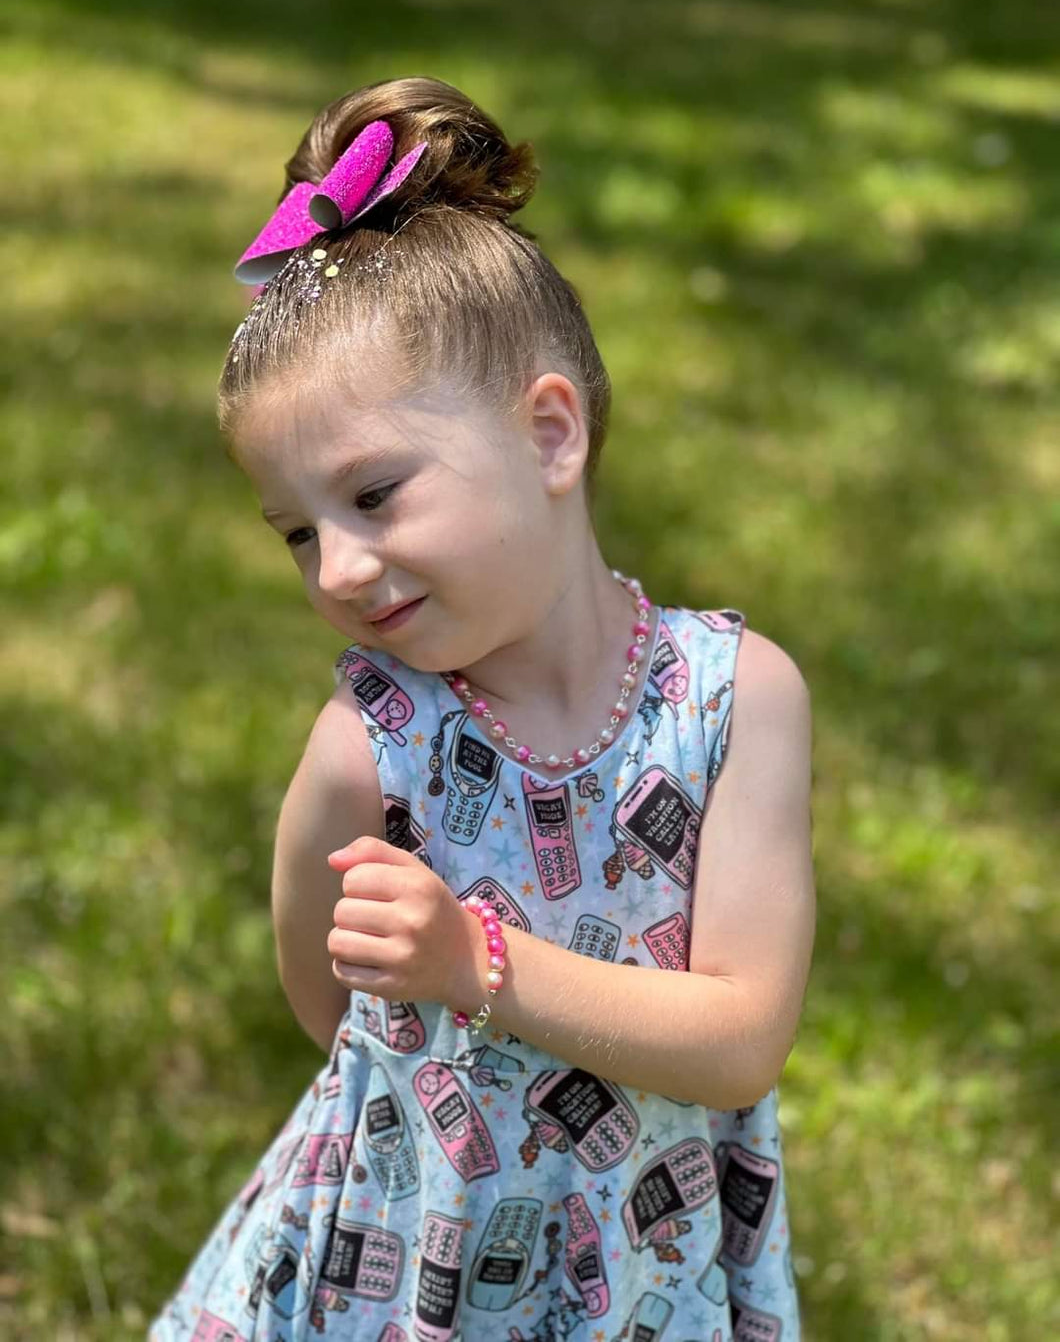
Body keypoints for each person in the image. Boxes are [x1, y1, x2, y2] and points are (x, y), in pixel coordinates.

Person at [148, 74, 816, 1342]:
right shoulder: (370, 752)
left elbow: (739, 1040)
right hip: (413, 1257)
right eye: (298, 532)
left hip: (639, 1250)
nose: (337, 567)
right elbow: (325, 1006)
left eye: (375, 494)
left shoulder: (737, 703)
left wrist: (477, 969)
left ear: (549, 435)